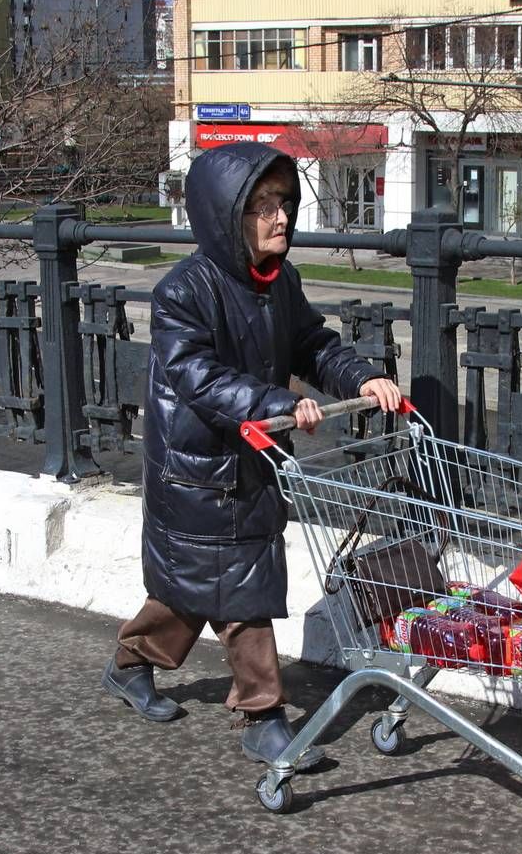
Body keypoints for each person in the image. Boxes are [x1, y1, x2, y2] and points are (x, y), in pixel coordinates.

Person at [101, 142, 402, 770]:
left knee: (196, 588)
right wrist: (274, 404)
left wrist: (360, 379)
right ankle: (264, 717)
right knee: (242, 588)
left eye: (284, 203)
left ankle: (132, 664)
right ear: (223, 215)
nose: (280, 218)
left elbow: (313, 345)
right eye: (261, 206)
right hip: (198, 467)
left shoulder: (278, 280)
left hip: (250, 462)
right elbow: (197, 376)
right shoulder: (182, 291)